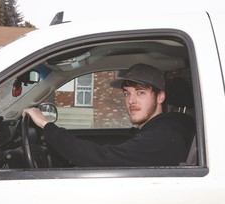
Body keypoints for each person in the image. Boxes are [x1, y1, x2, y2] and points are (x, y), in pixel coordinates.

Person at [23, 63, 195, 167]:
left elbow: (100, 158)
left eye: (140, 93)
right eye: (127, 93)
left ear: (160, 97)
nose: (131, 100)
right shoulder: (165, 126)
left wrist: (46, 125)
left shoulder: (162, 136)